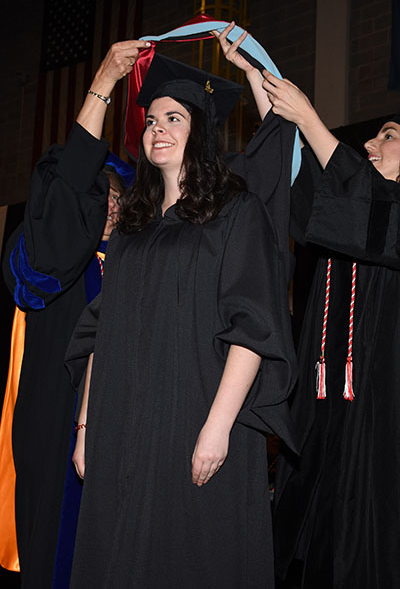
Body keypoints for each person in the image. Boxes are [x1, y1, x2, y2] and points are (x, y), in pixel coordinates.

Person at [65, 37, 297, 588]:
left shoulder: (234, 211)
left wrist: (217, 429)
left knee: (190, 559)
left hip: (197, 416)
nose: (157, 129)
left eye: (174, 118)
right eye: (150, 121)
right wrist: (84, 425)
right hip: (123, 424)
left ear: (201, 133)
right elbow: (102, 332)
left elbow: (252, 326)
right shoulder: (131, 230)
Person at [1, 41, 142, 588]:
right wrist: (103, 83)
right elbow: (61, 210)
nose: (111, 206)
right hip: (57, 420)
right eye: (99, 194)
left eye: (119, 200)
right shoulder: (46, 254)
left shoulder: (133, 264)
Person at [261, 73, 400, 588]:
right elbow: (302, 189)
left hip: (381, 422)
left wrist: (310, 118)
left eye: (388, 134)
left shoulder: (390, 216)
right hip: (326, 411)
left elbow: (378, 212)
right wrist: (264, 86)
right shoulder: (347, 215)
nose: (371, 143)